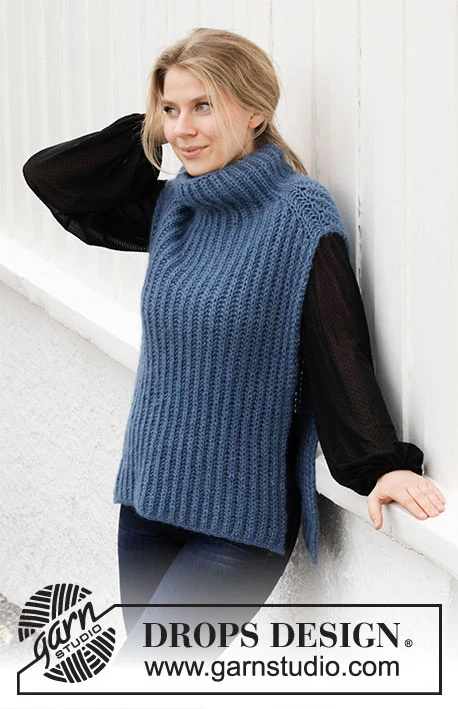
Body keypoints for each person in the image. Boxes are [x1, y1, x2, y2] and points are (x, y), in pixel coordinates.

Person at [22, 27, 445, 663]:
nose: (183, 129)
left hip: (237, 522)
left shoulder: (297, 214)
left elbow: (339, 350)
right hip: (147, 498)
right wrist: (152, 131)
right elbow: (53, 178)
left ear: (255, 111)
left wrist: (380, 464)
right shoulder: (176, 205)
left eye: (204, 106)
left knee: (151, 674)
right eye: (170, 110)